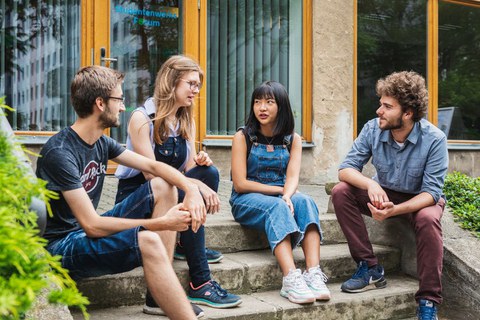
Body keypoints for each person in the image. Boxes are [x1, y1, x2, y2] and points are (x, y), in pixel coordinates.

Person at [36, 65, 206, 319]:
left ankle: (157, 297)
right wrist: (161, 223)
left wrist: (190, 187)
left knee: (163, 184)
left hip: (81, 233)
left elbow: (152, 166)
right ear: (100, 103)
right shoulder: (60, 152)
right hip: (59, 247)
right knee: (147, 239)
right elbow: (92, 225)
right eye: (119, 99)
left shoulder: (101, 142)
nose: (124, 107)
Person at [115, 55, 241, 313]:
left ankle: (186, 245)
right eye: (191, 84)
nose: (196, 91)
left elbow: (184, 170)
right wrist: (194, 185)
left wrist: (199, 165)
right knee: (179, 185)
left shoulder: (185, 119)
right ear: (172, 82)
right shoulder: (142, 118)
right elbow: (153, 175)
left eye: (198, 86)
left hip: (170, 189)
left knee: (210, 173)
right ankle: (201, 279)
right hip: (138, 197)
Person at [331, 71, 448, 320]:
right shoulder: (373, 129)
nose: (378, 111)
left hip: (419, 199)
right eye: (380, 104)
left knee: (428, 219)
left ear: (407, 113)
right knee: (341, 192)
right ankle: (370, 267)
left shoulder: (435, 139)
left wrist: (394, 210)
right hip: (384, 192)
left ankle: (428, 301)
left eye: (387, 106)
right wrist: (371, 185)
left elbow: (431, 192)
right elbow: (346, 169)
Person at [230, 81, 331, 305]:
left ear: (281, 106)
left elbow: (293, 176)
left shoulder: (292, 139)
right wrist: (280, 192)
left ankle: (313, 273)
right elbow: (240, 184)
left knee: (305, 201)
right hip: (247, 199)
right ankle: (290, 278)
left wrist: (288, 194)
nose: (261, 108)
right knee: (277, 206)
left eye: (269, 102)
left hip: (280, 193)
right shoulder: (243, 136)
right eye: (257, 102)